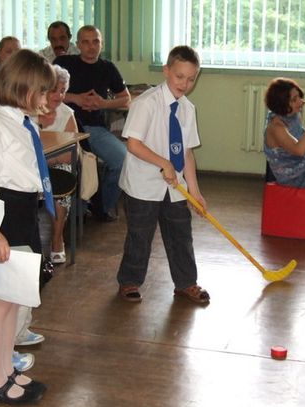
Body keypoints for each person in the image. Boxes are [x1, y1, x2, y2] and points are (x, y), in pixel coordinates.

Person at [0, 49, 53, 404]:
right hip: (3, 214)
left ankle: (5, 371)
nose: (48, 100)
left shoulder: (23, 122)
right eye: (43, 92)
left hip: (22, 212)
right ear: (23, 88)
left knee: (13, 303)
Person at [117, 45, 209, 304]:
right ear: (167, 71)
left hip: (174, 186)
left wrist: (195, 191)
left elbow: (188, 153)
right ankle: (130, 281)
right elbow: (133, 144)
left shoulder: (188, 109)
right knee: (140, 235)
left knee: (181, 234)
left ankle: (186, 283)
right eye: (180, 76)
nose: (185, 83)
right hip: (143, 185)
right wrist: (163, 163)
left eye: (191, 79)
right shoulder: (146, 103)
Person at [54, 25, 130, 222]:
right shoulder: (63, 63)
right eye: (85, 42)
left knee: (122, 161)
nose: (91, 46)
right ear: (78, 44)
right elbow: (44, 92)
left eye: (95, 41)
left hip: (94, 130)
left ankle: (100, 207)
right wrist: (75, 98)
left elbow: (126, 99)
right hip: (64, 127)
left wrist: (104, 103)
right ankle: (78, 209)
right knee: (74, 166)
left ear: (101, 44)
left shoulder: (107, 68)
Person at [37, 65, 78, 264]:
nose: (58, 95)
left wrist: (47, 159)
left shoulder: (67, 113)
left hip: (52, 167)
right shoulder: (31, 110)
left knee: (63, 178)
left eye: (63, 90)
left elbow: (71, 154)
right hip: (29, 168)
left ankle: (57, 238)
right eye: (54, 90)